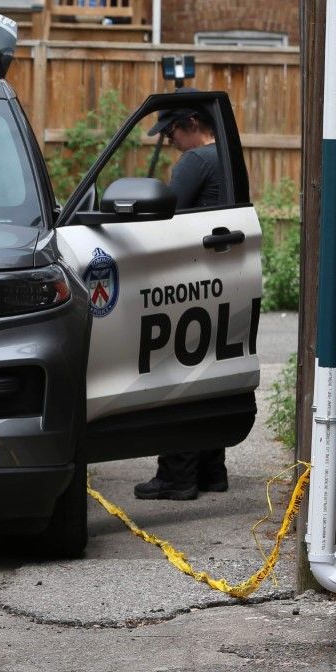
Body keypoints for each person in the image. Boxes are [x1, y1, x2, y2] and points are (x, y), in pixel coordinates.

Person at [133, 89, 230, 501]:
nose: (169, 141)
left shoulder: (196, 160)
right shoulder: (227, 157)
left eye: (171, 131)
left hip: (187, 277)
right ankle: (211, 470)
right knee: (206, 369)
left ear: (191, 124)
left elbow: (164, 216)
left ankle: (177, 476)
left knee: (175, 370)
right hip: (222, 274)